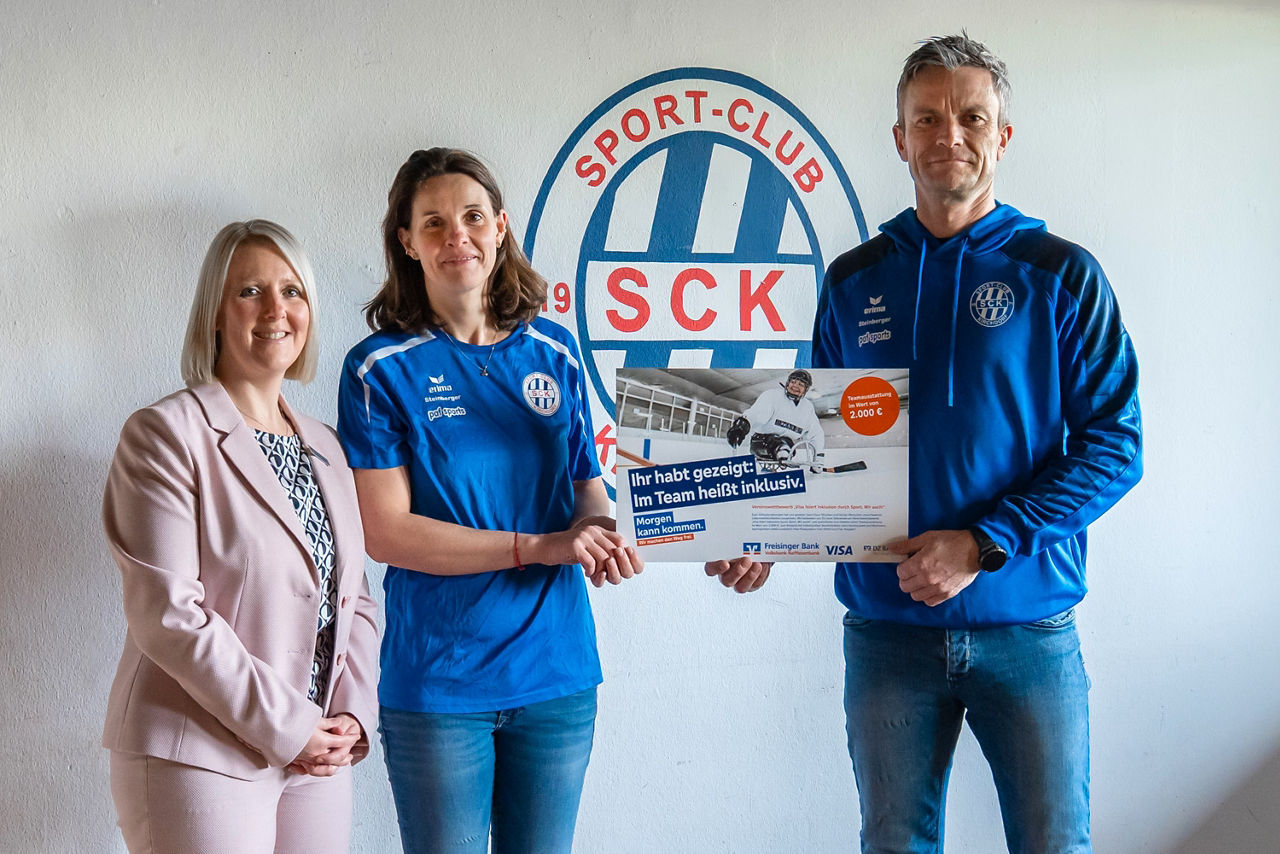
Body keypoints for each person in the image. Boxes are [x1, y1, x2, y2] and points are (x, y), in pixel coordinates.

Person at [707, 33, 1142, 853]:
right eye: (929, 118)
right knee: (894, 844)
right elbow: (813, 440)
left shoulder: (1061, 273)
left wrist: (983, 543)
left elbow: (1117, 445)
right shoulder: (854, 278)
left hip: (1029, 626)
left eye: (972, 117)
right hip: (887, 634)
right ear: (900, 138)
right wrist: (756, 531)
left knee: (1057, 844)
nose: (951, 135)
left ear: (1002, 136)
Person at [336, 147, 643, 854]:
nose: (457, 237)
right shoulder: (379, 367)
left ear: (500, 227)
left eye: (473, 217)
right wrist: (539, 547)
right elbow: (386, 533)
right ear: (407, 242)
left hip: (557, 675)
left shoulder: (555, 352)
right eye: (434, 223)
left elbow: (586, 492)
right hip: (439, 682)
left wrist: (601, 534)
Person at [102, 219, 380, 852]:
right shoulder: (165, 435)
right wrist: (290, 727)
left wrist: (352, 718)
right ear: (215, 315)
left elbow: (358, 598)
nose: (276, 309)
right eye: (251, 291)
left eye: (293, 291)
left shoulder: (327, 448)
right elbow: (169, 618)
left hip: (316, 757)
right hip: (198, 752)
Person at [726, 368, 825, 469]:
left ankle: (783, 452)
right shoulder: (773, 396)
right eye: (793, 382)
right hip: (761, 443)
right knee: (780, 444)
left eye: (801, 384)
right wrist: (741, 427)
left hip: (788, 447)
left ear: (805, 390)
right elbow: (756, 413)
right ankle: (782, 451)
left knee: (787, 443)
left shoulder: (807, 408)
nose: (795, 386)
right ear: (787, 383)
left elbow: (816, 433)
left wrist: (818, 458)